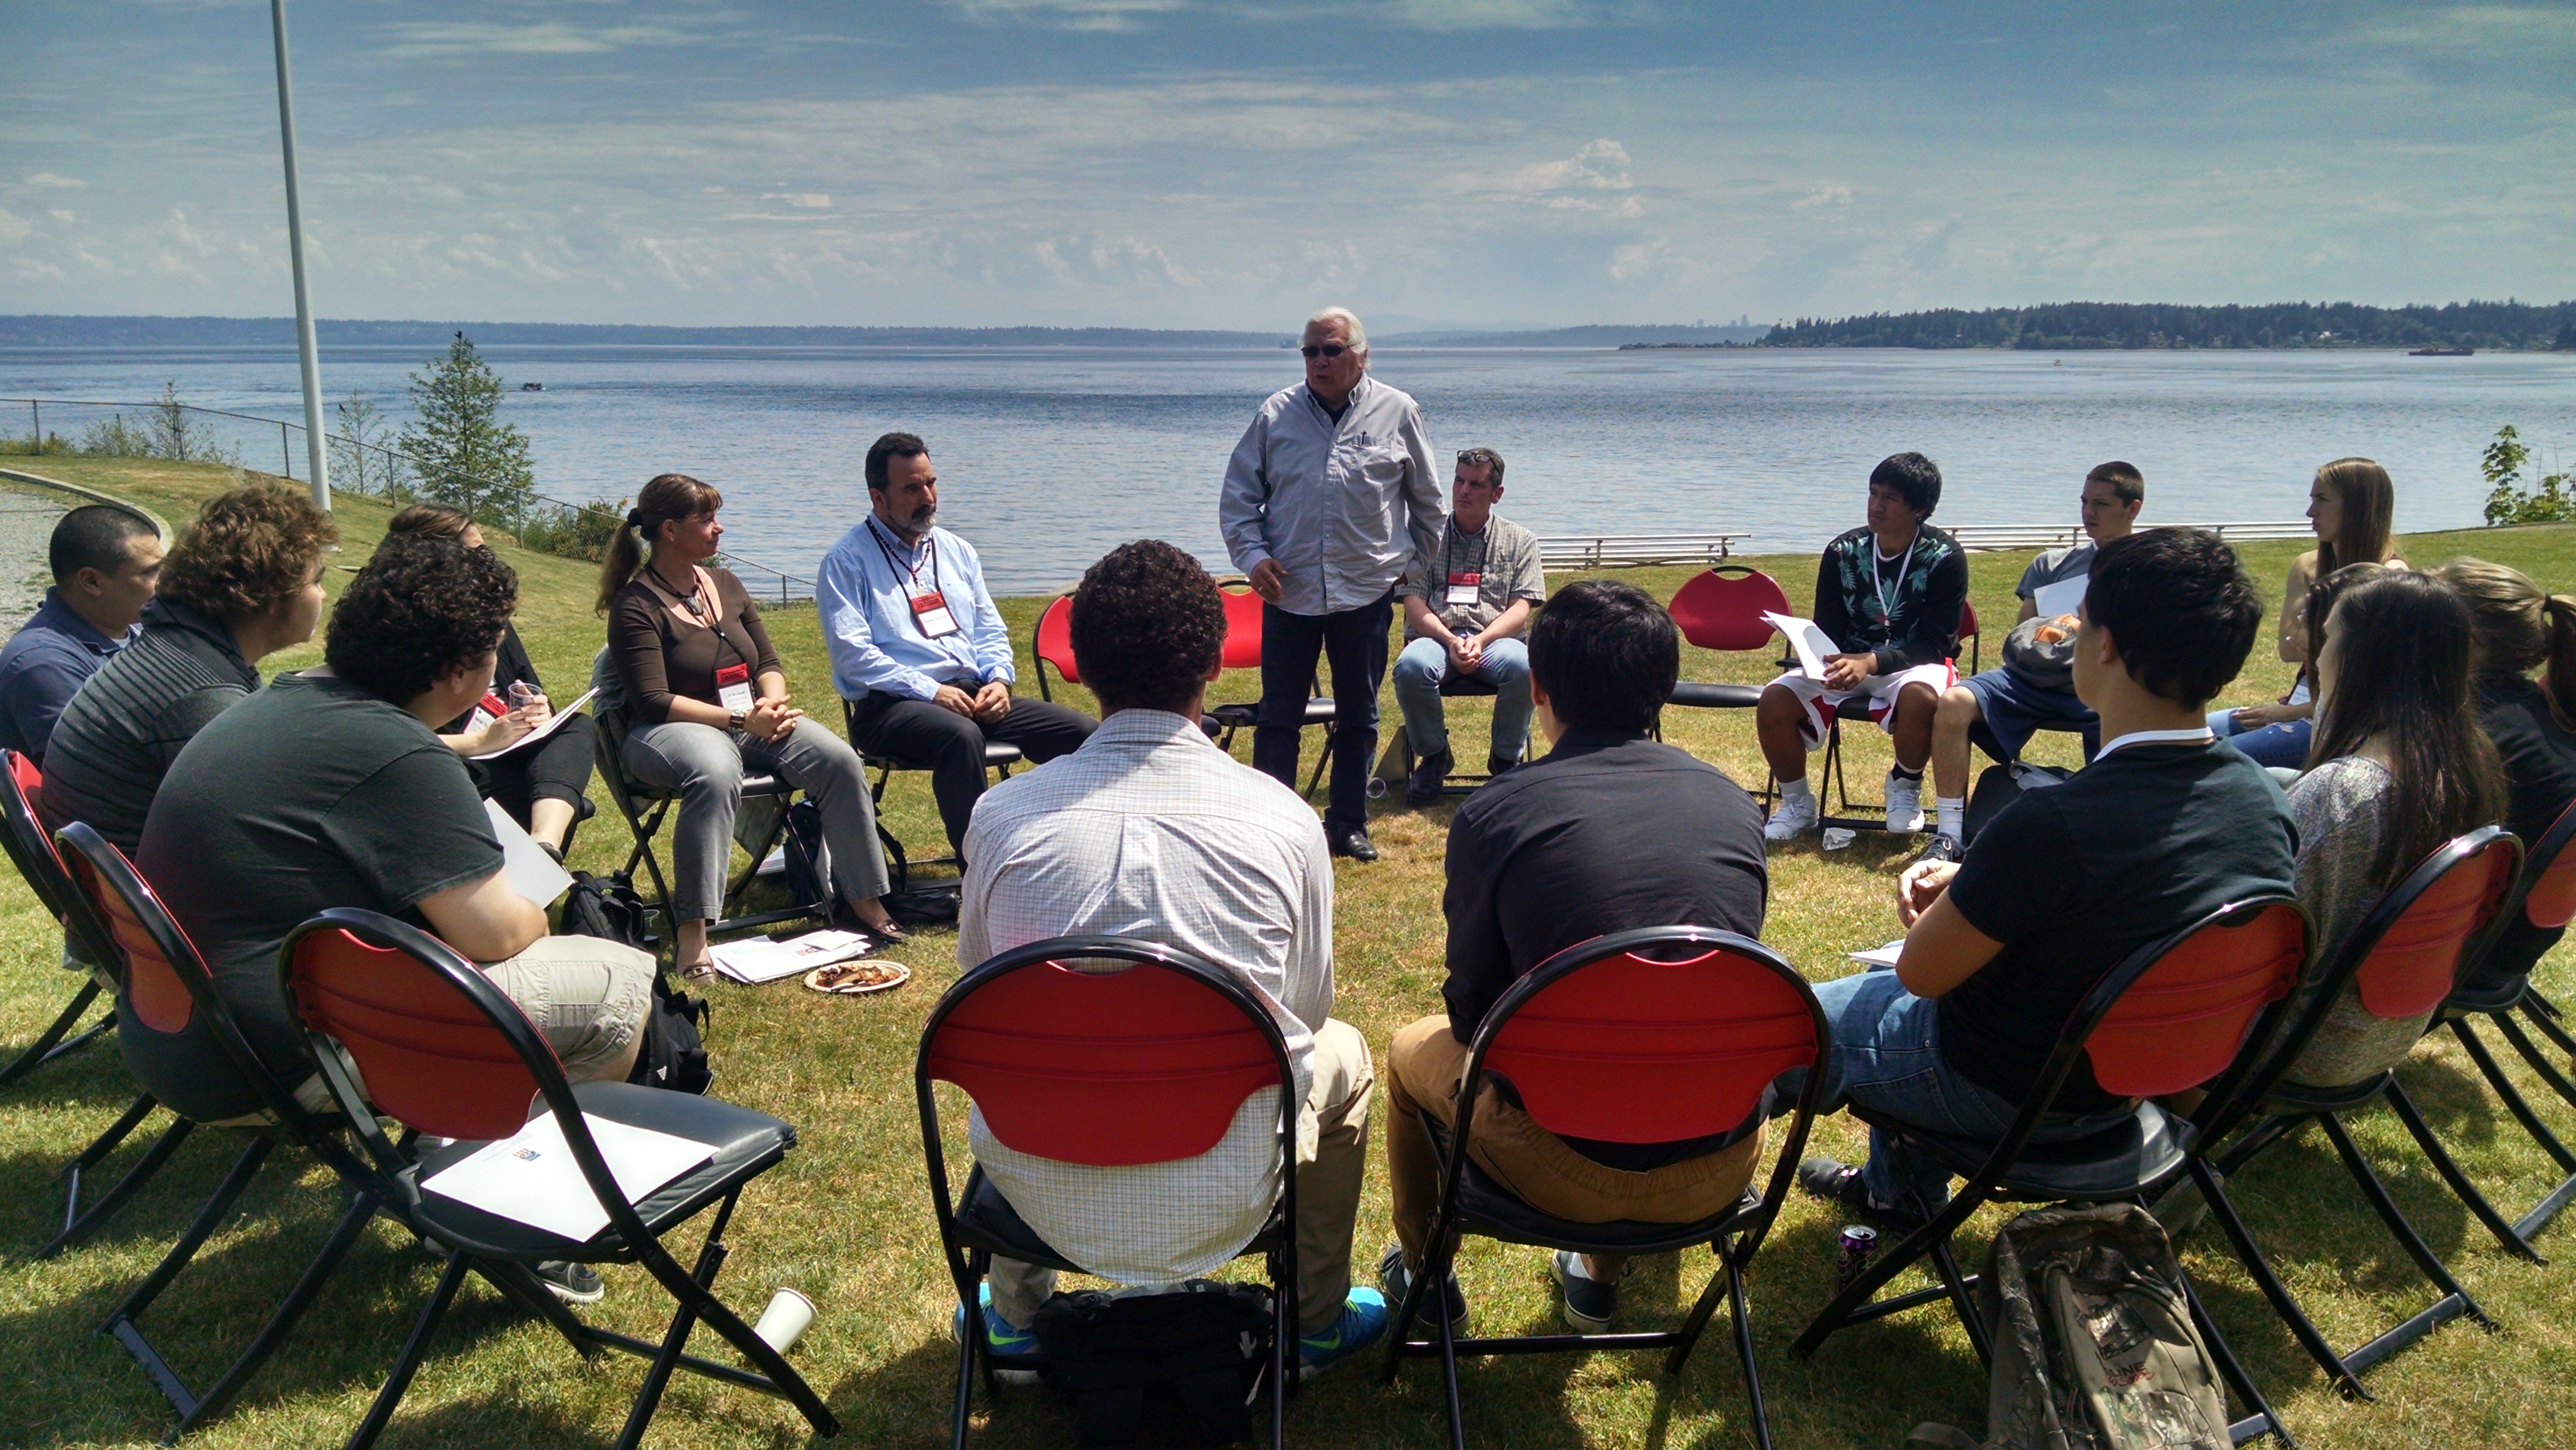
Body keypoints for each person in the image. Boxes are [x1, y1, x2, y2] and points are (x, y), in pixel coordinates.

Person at [953, 540, 1388, 1380]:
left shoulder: (1002, 818)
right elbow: (1304, 1010)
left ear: (1077, 669)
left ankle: (1013, 1316)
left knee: (1015, 1039)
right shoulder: (1283, 820)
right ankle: (1315, 1322)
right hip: (1232, 1183)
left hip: (1039, 1194)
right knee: (1347, 1054)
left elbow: (981, 996)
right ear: (1216, 663)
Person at [1790, 529, 2296, 1222]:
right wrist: (1986, 890)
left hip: (2012, 1088)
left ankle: (1672, 1195)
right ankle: (1897, 1193)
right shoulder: (2263, 799)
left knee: (1791, 1017)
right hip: (2146, 1079)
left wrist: (1945, 910)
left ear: (2106, 646)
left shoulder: (2053, 823)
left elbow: (1925, 976)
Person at [1380, 580, 1770, 1335]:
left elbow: (1471, 1012)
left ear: (1542, 692)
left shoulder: (1499, 813)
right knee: (1650, 1027)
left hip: (1556, 1161)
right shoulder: (1733, 805)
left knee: (1407, 1050)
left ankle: (1428, 1273)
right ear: (1663, 689)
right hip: (1717, 1159)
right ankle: (1596, 1280)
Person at [602, 473, 901, 977]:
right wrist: (743, 718)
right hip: (664, 731)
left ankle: (864, 902)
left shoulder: (725, 583)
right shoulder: (636, 605)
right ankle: (694, 934)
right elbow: (652, 700)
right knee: (716, 771)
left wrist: (774, 705)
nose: (720, 529)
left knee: (838, 761)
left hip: (750, 719)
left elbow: (767, 661)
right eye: (708, 520)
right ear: (671, 530)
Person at [1219, 306, 1443, 861]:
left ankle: (1346, 824)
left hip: (1363, 596)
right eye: (1310, 351)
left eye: (1331, 350)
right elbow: (1238, 501)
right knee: (1279, 717)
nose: (1318, 361)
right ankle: (1273, 829)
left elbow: (1429, 506)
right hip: (1288, 594)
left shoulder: (1398, 411)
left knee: (1359, 715)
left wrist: (1408, 570)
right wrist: (1253, 558)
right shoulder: (1276, 414)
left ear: (1361, 356)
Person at [2274, 566, 2507, 1088]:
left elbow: (2266, 939)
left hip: (2303, 1046)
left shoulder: (2346, 792)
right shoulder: (2470, 764)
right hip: (2388, 1032)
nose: (2317, 655)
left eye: (2330, 636)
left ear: (2362, 658)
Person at [818, 432, 1095, 858]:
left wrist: (1000, 681)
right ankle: (982, 870)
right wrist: (930, 691)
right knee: (961, 737)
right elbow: (853, 657)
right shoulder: (847, 561)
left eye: (931, 483)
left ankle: (1069, 851)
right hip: (890, 707)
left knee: (1082, 734)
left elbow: (990, 631)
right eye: (911, 488)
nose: (927, 496)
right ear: (878, 497)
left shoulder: (957, 551)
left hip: (971, 695)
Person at [41, 485, 336, 854]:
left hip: (140, 882)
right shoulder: (200, 696)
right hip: (170, 897)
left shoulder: (176, 648)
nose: (323, 595)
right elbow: (285, 821)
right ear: (274, 596)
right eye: (317, 581)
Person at [1919, 461, 2145, 860]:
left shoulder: (2149, 569)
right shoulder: (2051, 565)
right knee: (1954, 703)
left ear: (2133, 509)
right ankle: (1950, 834)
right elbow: (2023, 636)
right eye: (2084, 502)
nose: (2088, 513)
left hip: (2104, 685)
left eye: (2102, 504)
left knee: (2125, 714)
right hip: (2031, 680)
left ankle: (2109, 830)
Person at [1757, 452, 1968, 842]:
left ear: (1920, 509)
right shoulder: (1843, 551)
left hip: (1911, 665)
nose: (1876, 505)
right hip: (1849, 661)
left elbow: (1935, 645)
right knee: (1775, 698)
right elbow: (1829, 626)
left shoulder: (1944, 557)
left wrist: (1871, 662)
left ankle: (1905, 786)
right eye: (1873, 493)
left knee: (1922, 696)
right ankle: (1798, 804)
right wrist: (1823, 657)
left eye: (1890, 498)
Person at [389, 504, 597, 859]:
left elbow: (527, 685)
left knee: (575, 728)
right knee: (524, 787)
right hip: (457, 757)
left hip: (508, 741)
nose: (488, 561)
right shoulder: (401, 633)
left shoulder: (490, 613)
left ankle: (544, 844)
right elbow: (395, 741)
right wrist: (482, 741)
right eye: (476, 553)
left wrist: (537, 710)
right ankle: (523, 881)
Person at [2436, 558, 2576, 994]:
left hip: (2454, 960)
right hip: (2511, 947)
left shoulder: (2474, 727)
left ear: (2468, 641)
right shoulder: (2527, 715)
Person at [2211, 457, 2402, 769]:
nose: (2310, 512)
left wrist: (2290, 712)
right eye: (2312, 499)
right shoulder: (2308, 566)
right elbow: (2289, 649)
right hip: (2304, 702)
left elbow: (2371, 687)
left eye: (2322, 500)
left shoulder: (2391, 578)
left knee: (2220, 760)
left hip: (2338, 721)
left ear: (2359, 507)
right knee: (2194, 734)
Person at [1393, 447, 1545, 805]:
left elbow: (1522, 606)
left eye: (1476, 485)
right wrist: (1449, 640)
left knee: (1526, 667)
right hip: (1435, 637)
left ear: (1497, 494)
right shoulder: (1425, 537)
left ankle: (1506, 759)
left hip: (1495, 640)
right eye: (1459, 481)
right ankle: (1434, 757)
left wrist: (1481, 640)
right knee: (1411, 667)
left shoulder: (1521, 540)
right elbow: (1413, 602)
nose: (1463, 491)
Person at [0, 504, 162, 764]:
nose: (164, 581)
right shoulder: (42, 663)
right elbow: (92, 774)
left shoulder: (142, 628)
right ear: (91, 582)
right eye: (150, 571)